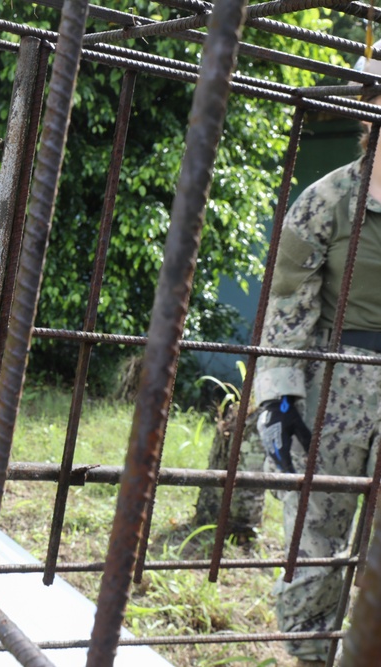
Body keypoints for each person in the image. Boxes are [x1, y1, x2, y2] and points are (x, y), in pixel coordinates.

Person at [253, 58, 381, 667]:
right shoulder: (326, 199)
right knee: (314, 543)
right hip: (333, 383)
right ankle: (308, 657)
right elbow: (285, 306)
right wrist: (278, 397)